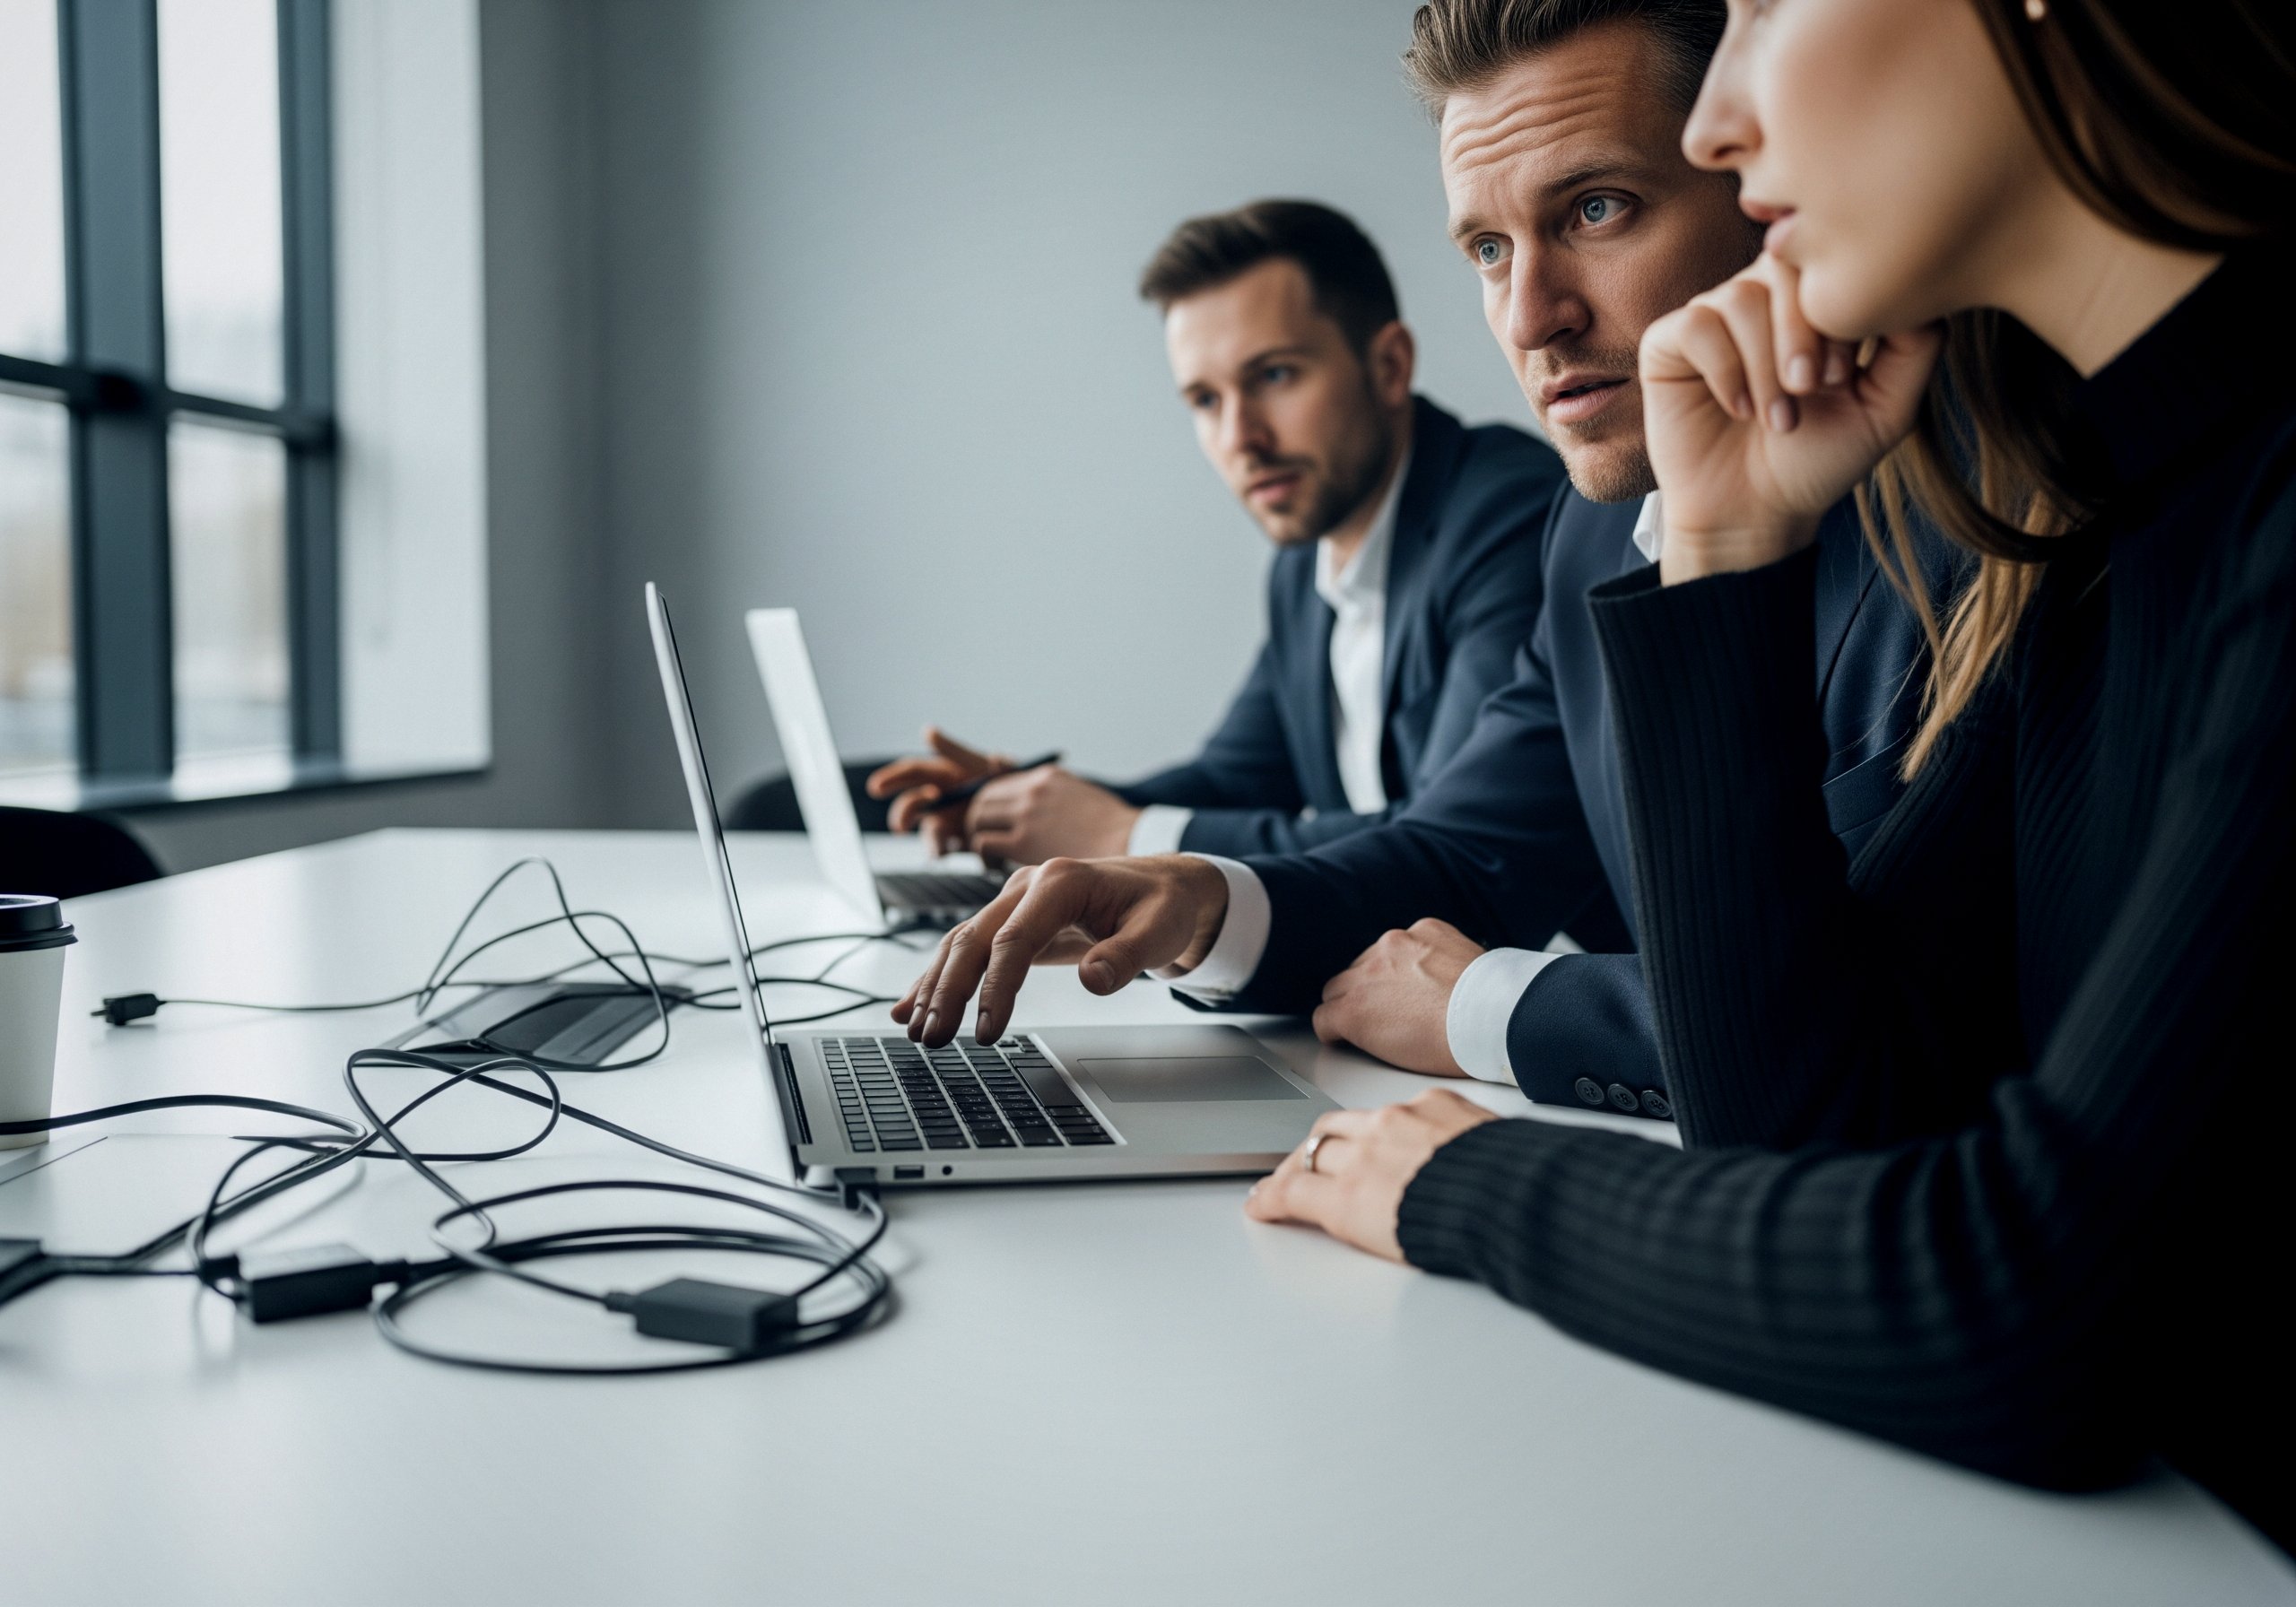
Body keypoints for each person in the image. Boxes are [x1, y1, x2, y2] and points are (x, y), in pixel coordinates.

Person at [891, 0, 1952, 1118]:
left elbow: (1883, 1031)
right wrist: (1201, 903)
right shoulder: (1591, 530)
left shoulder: (1964, 538)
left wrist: (1490, 1004)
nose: (1530, 316)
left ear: (1768, 198)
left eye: (1597, 208)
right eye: (1489, 249)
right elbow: (1473, 851)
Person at [865, 201, 1565, 864]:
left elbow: (1454, 841)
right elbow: (1233, 782)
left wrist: (1125, 835)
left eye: (1275, 375)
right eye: (1205, 399)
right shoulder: (1306, 567)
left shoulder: (1506, 515)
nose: (1241, 438)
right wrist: (1034, 806)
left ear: (1388, 367)